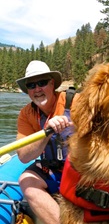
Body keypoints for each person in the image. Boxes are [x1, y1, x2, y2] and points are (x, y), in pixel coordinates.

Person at [15, 60, 77, 224]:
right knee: (26, 180)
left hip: (80, 171)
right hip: (52, 171)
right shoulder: (26, 114)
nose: (37, 89)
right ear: (28, 91)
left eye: (42, 83)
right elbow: (23, 156)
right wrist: (45, 133)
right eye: (32, 85)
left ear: (52, 84)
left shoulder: (75, 102)